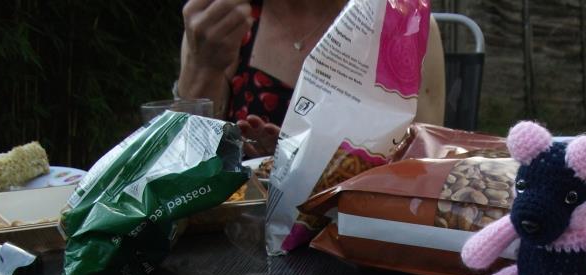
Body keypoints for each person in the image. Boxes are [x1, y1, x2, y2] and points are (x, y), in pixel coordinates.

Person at [177, 0, 446, 157]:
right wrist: (204, 68)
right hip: (235, 242)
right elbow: (186, 158)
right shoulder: (221, 22)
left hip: (355, 239)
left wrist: (307, 168)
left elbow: (423, 167)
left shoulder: (406, 26)